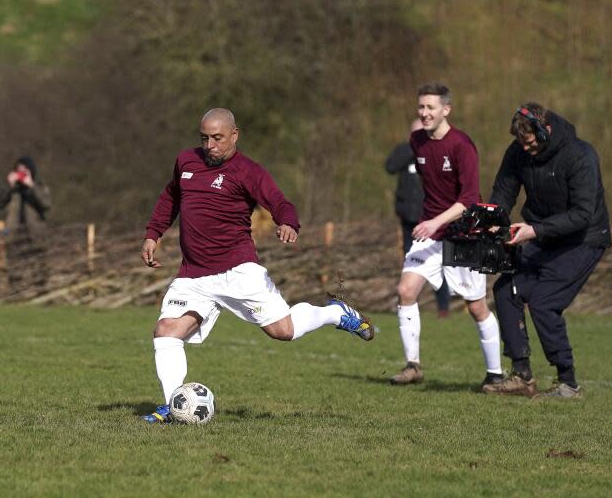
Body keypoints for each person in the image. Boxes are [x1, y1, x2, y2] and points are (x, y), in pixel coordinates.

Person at [140, 108, 374, 423]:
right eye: (205, 138)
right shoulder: (186, 161)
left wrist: (287, 223)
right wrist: (153, 234)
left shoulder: (248, 171)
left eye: (217, 138)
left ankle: (336, 313)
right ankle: (173, 405)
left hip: (237, 270)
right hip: (193, 274)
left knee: (283, 331)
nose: (210, 145)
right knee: (166, 332)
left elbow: (280, 202)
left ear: (235, 135)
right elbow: (170, 197)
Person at [482, 103, 611, 399]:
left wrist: (533, 230)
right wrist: (493, 221)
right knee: (507, 288)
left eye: (530, 142)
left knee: (544, 301)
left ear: (546, 130)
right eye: (520, 143)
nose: (526, 149)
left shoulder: (580, 155)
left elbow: (582, 214)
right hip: (543, 234)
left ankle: (568, 382)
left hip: (584, 238)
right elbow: (503, 191)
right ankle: (521, 375)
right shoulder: (517, 152)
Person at [390, 83, 503, 388]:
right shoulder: (417, 141)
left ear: (446, 110)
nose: (424, 113)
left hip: (463, 233)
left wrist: (434, 222)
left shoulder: (462, 145)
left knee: (476, 306)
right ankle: (413, 365)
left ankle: (496, 373)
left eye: (430, 108)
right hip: (431, 232)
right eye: (421, 107)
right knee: (406, 290)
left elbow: (468, 201)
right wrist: (429, 222)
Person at [385, 118, 451, 318]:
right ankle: (409, 303)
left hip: (431, 220)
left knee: (438, 263)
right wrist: (412, 148)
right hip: (408, 219)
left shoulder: (437, 153)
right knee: (410, 262)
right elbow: (390, 166)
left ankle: (443, 308)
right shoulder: (404, 152)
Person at [0, 156, 51, 234]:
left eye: (25, 171)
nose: (21, 174)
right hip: (12, 236)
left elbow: (46, 205)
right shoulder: (12, 190)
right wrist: (10, 187)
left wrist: (32, 186)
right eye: (19, 171)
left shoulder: (40, 187)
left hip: (35, 236)